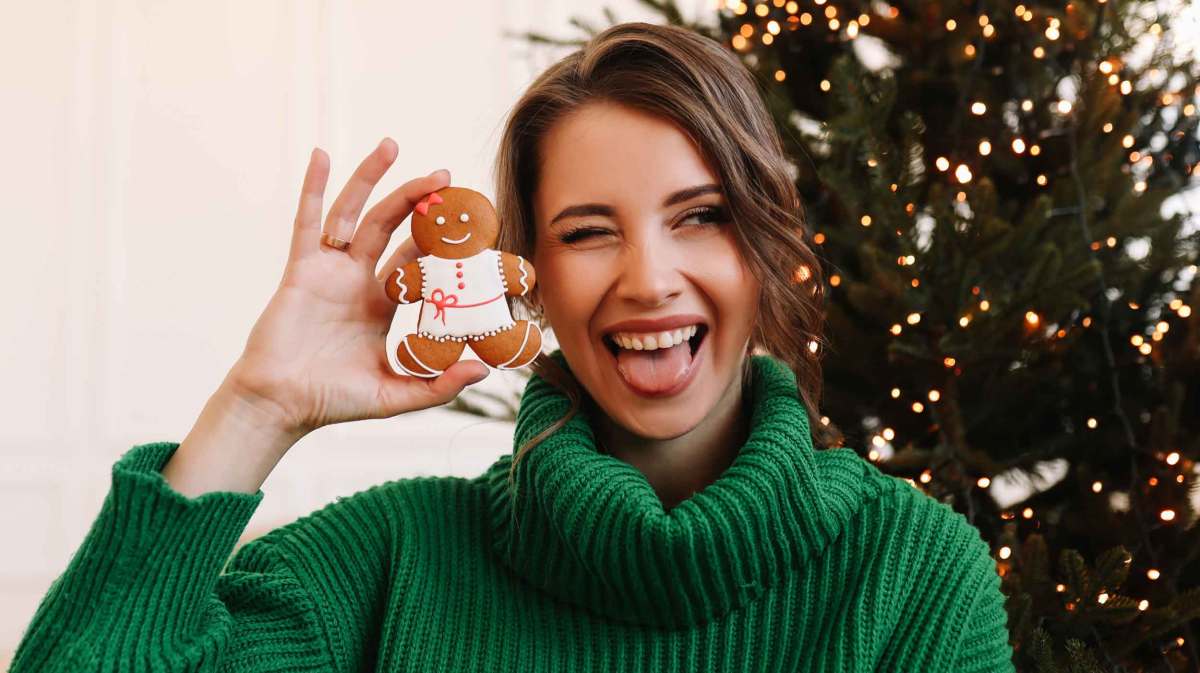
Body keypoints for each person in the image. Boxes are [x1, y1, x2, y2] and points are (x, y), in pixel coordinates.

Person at [10, 21, 1015, 673]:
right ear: (523, 270)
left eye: (699, 216)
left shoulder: (913, 573)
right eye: (587, 230)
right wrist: (257, 405)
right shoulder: (391, 564)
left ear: (763, 244)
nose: (649, 277)